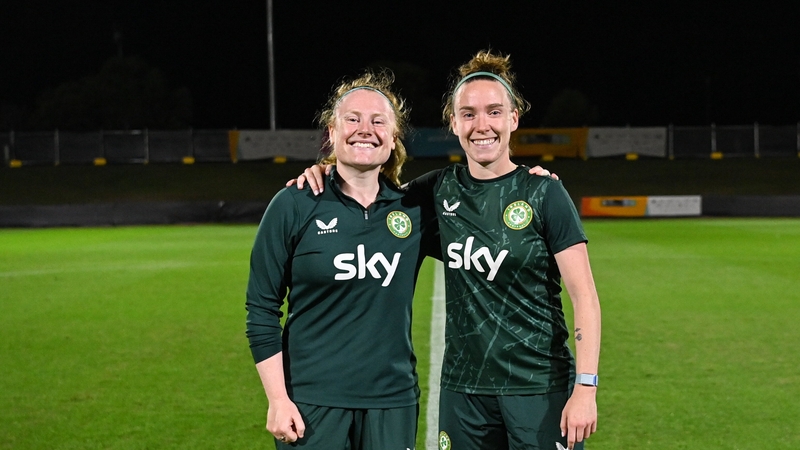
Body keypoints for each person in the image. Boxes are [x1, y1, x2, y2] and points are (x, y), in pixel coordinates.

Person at [296, 50, 601, 450]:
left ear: (513, 118)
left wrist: (585, 389)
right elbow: (368, 202)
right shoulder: (435, 191)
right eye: (468, 114)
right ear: (453, 122)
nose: (482, 125)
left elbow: (585, 297)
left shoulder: (545, 192)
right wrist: (328, 171)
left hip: (538, 388)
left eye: (494, 112)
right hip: (462, 392)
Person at [245, 69, 439, 449]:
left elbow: (484, 208)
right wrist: (278, 399)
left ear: (393, 138)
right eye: (352, 119)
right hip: (311, 404)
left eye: (377, 121)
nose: (364, 129)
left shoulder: (416, 209)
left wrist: (528, 179)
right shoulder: (294, 204)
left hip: (393, 402)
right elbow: (261, 308)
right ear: (332, 133)